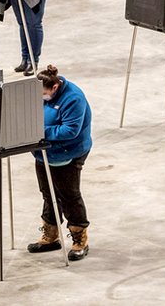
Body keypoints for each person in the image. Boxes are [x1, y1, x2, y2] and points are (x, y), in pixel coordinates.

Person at [29, 64, 93, 262]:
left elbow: (70, 130)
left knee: (69, 196)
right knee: (48, 192)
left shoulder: (73, 98)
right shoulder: (39, 91)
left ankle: (79, 238)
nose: (41, 98)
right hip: (44, 152)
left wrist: (39, 131)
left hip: (69, 153)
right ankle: (50, 234)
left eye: (44, 94)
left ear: (55, 88)